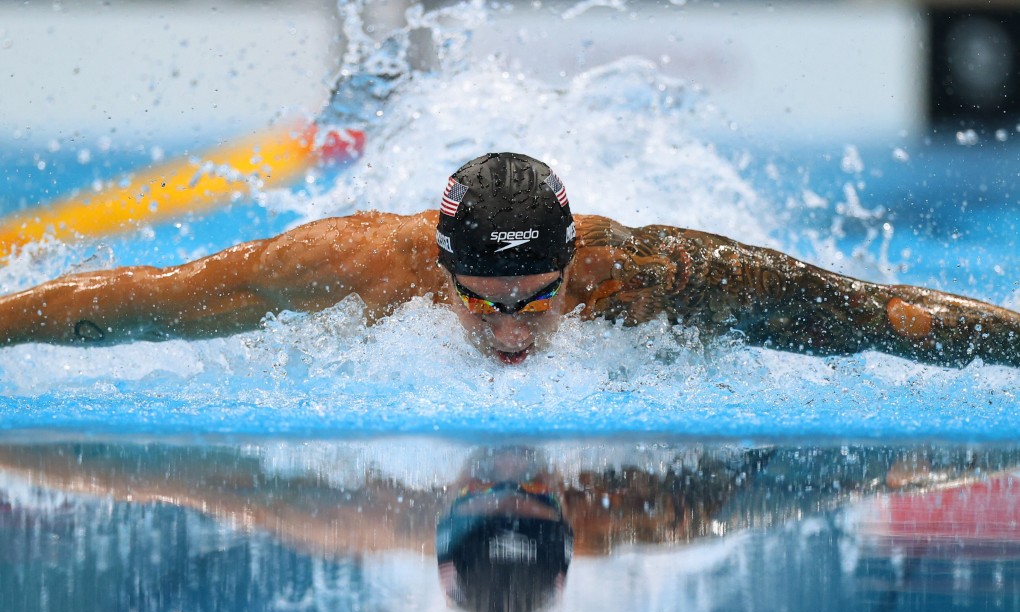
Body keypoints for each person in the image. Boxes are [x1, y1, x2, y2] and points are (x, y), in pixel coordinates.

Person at [2, 152, 1019, 366]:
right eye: (479, 302)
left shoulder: (648, 276)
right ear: (436, 270)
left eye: (537, 298)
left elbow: (877, 313)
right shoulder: (355, 264)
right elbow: (140, 300)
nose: (510, 329)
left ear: (576, 266)